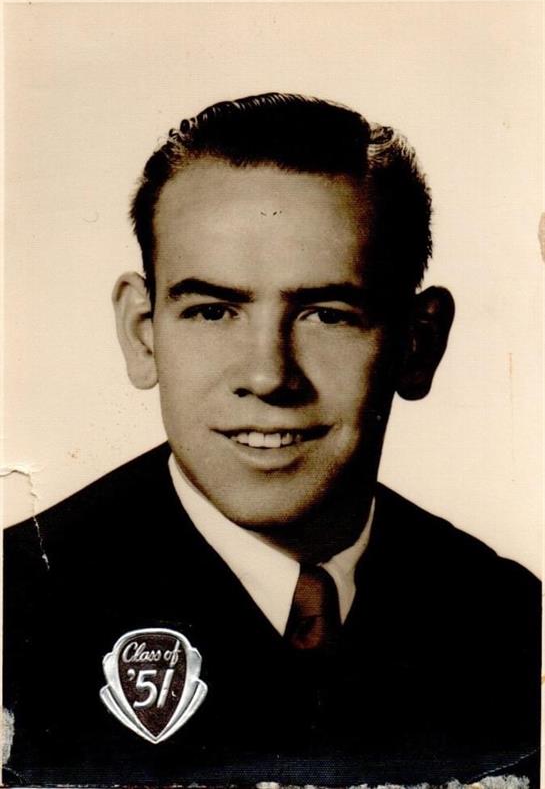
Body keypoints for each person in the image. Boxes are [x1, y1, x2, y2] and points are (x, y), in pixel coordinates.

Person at [3, 94, 540, 787]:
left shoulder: (511, 623)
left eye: (327, 315)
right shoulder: (16, 608)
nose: (267, 375)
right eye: (212, 311)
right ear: (142, 333)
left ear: (418, 343)